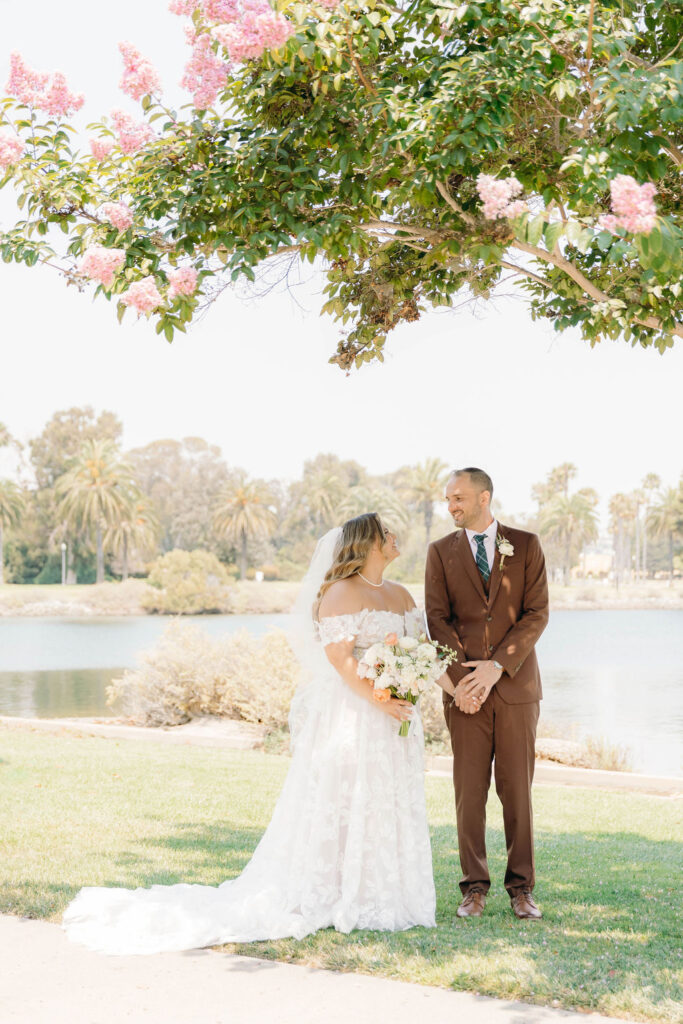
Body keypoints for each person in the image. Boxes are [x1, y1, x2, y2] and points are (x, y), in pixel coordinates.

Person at [63, 512, 454, 955]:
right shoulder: (339, 593)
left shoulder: (401, 595)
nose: (395, 536)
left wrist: (457, 691)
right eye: (387, 532)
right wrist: (379, 699)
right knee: (344, 797)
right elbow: (341, 660)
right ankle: (337, 892)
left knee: (386, 800)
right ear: (368, 542)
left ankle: (383, 894)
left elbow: (422, 652)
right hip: (356, 713)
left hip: (394, 718)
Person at [425, 468, 549, 921]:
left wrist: (497, 667)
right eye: (448, 499)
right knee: (468, 792)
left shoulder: (526, 544)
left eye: (458, 497)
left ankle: (522, 889)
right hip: (464, 696)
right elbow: (437, 621)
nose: (451, 506)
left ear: (484, 497)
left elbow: (536, 613)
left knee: (517, 792)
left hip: (516, 688)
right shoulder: (440, 552)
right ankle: (474, 888)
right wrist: (463, 685)